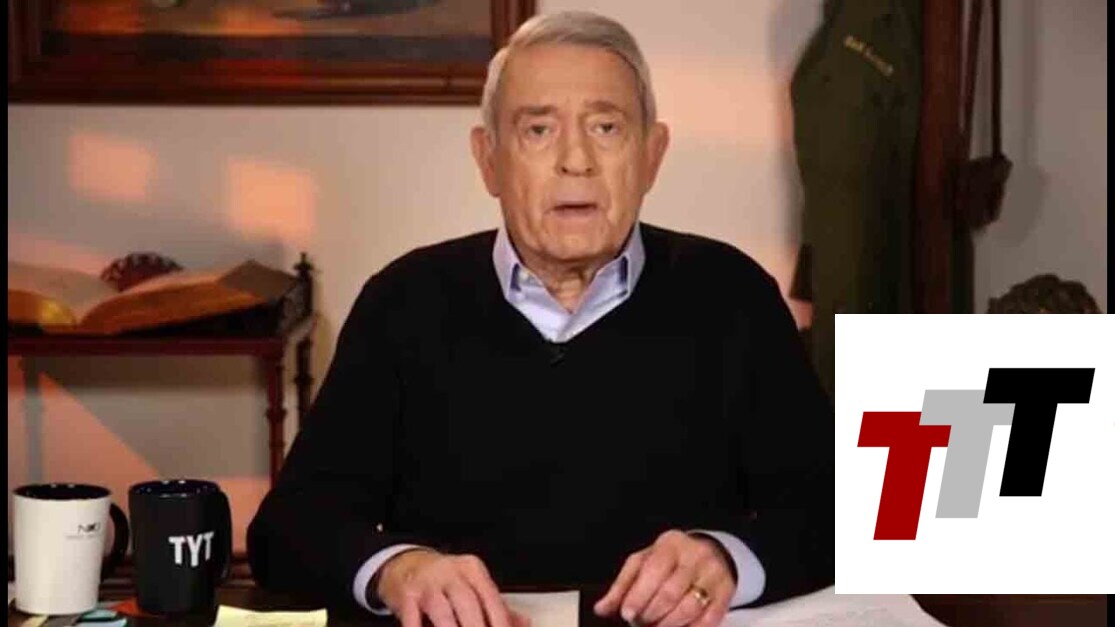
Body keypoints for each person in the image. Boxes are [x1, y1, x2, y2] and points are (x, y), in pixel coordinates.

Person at [248, 11, 834, 627]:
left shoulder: (733, 295)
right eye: (538, 130)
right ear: (489, 160)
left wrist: (727, 558)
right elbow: (289, 531)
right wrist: (398, 569)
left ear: (652, 154)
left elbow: (834, 513)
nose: (576, 160)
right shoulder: (403, 302)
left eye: (606, 127)